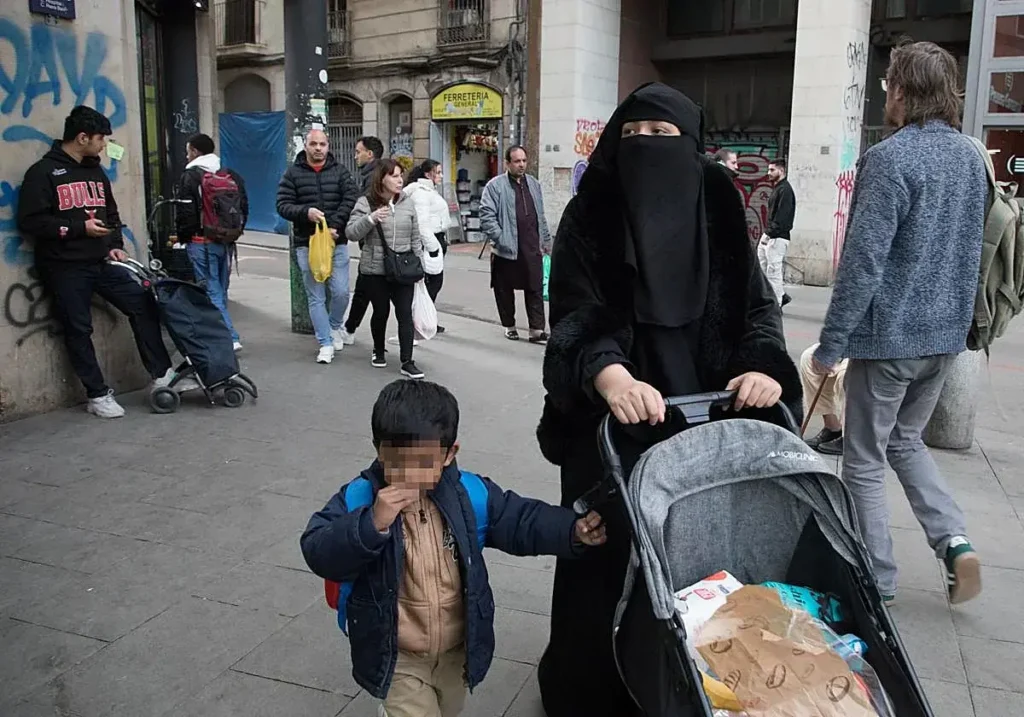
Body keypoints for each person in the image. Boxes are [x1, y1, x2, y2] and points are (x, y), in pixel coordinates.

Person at [534, 83, 803, 717]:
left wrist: (762, 368)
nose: (645, 146)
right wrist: (610, 376)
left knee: (700, 563)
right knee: (604, 558)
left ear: (691, 143)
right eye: (631, 135)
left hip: (709, 422)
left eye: (661, 135)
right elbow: (572, 311)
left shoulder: (717, 198)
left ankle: (692, 689)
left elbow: (756, 306)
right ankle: (590, 693)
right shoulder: (592, 208)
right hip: (615, 426)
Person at [300, 379, 606, 717]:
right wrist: (371, 524)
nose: (409, 475)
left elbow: (520, 520)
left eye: (423, 463)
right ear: (378, 450)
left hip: (455, 650)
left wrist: (571, 530)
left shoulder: (469, 495)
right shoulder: (360, 497)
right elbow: (317, 548)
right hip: (398, 654)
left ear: (449, 454)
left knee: (448, 709)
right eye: (396, 462)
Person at [811, 41, 984, 606]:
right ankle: (954, 541)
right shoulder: (970, 157)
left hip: (890, 338)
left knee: (863, 459)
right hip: (945, 338)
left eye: (889, 85)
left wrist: (830, 346)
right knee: (906, 442)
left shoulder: (889, 159)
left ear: (903, 91)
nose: (886, 95)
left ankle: (877, 578)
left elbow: (863, 262)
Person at [16, 105, 181, 419]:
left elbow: (112, 214)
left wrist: (115, 245)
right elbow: (31, 221)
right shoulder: (43, 173)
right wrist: (80, 229)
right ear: (82, 138)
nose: (104, 145)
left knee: (143, 303)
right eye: (101, 138)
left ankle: (162, 375)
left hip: (102, 263)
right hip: (64, 267)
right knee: (78, 329)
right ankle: (97, 394)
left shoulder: (96, 171)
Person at [276, 128, 359, 364]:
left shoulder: (340, 171)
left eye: (322, 144)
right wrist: (306, 212)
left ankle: (334, 325)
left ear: (328, 146)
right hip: (307, 243)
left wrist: (335, 225)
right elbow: (282, 205)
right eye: (314, 144)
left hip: (336, 241)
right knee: (316, 296)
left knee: (341, 292)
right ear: (306, 146)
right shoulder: (292, 174)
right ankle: (325, 343)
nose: (318, 148)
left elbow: (351, 198)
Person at [346, 160, 425, 379]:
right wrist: (370, 219)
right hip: (375, 270)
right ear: (382, 179)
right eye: (394, 176)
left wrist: (420, 267)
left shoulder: (407, 202)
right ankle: (378, 350)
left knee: (405, 313)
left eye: (401, 175)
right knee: (381, 311)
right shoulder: (366, 202)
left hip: (404, 269)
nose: (400, 180)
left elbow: (415, 236)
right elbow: (351, 232)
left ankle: (407, 361)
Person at [174, 132, 248, 352]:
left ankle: (229, 337)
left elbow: (185, 212)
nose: (186, 156)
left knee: (211, 290)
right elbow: (244, 207)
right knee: (221, 290)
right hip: (226, 242)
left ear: (195, 151)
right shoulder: (230, 174)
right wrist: (233, 233)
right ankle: (221, 333)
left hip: (201, 242)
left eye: (188, 151)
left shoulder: (190, 176)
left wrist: (184, 238)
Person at [479, 145, 551, 344]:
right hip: (506, 249)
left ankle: (536, 330)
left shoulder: (534, 184)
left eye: (524, 161)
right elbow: (486, 216)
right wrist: (501, 238)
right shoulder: (495, 186)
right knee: (504, 289)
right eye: (517, 161)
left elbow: (540, 215)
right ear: (507, 163)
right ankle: (509, 326)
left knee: (535, 288)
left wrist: (546, 240)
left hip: (531, 246)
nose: (521, 165)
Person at [342, 135, 386, 346]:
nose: (355, 156)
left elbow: (368, 209)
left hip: (376, 242)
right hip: (378, 242)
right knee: (366, 289)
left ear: (370, 154)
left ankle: (350, 329)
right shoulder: (371, 174)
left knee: (366, 290)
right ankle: (350, 327)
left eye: (358, 152)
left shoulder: (373, 177)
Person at [404, 159, 451, 333]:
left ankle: (426, 319)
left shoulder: (429, 191)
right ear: (427, 174)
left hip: (436, 239)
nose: (441, 176)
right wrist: (433, 247)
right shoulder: (421, 193)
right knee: (431, 282)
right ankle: (421, 320)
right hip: (429, 242)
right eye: (437, 172)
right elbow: (422, 224)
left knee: (433, 282)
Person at [758, 157, 795, 307]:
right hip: (772, 235)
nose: (769, 173)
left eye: (772, 170)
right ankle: (779, 296)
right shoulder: (779, 188)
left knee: (773, 270)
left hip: (777, 237)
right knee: (763, 266)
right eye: (768, 169)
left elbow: (782, 216)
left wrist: (769, 233)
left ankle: (776, 304)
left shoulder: (785, 190)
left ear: (781, 170)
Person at [799, 343, 847, 456]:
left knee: (846, 375)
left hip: (869, 351)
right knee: (809, 358)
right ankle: (832, 427)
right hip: (845, 345)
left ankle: (851, 436)